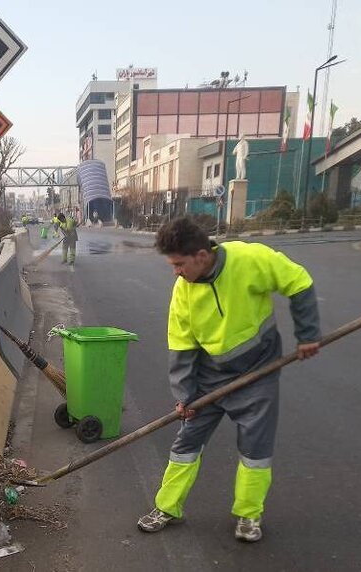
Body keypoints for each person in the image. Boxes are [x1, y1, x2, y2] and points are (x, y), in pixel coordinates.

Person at [137, 217, 321, 542]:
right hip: (209, 379)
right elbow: (181, 345)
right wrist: (185, 395)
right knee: (185, 444)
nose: (176, 272)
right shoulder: (183, 291)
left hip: (257, 374)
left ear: (201, 256)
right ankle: (167, 507)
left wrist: (307, 335)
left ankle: (249, 516)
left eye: (179, 264)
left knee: (255, 450)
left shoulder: (250, 259)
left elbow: (299, 282)